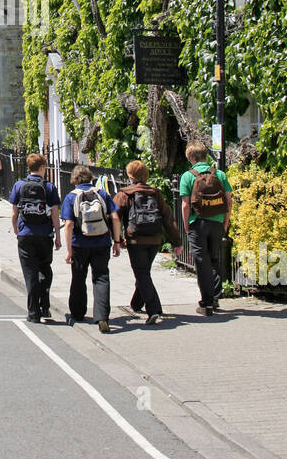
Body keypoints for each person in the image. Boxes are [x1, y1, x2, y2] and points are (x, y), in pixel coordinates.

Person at [115, 160, 181, 324]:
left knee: (142, 273)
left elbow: (112, 216)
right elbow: (168, 218)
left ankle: (154, 309)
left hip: (135, 240)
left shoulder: (125, 194)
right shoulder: (155, 193)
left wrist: (116, 239)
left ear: (130, 176)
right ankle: (136, 303)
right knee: (144, 272)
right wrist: (176, 242)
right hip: (155, 239)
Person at [61, 165, 121, 332]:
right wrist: (116, 241)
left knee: (79, 277)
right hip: (102, 242)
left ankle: (78, 313)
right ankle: (102, 316)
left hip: (80, 243)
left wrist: (69, 250)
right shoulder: (102, 193)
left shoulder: (71, 197)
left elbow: (69, 225)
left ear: (74, 179)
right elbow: (115, 218)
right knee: (101, 277)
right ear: (90, 177)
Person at [179, 141, 233, 315]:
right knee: (215, 259)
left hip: (198, 223)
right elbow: (228, 200)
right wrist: (225, 222)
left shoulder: (188, 176)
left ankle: (207, 303)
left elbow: (186, 204)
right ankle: (215, 296)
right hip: (217, 221)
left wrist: (186, 224)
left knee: (202, 262)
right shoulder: (219, 174)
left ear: (191, 157)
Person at [9, 152, 61, 322]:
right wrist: (58, 235)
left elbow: (14, 213)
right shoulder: (49, 187)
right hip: (45, 234)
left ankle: (33, 313)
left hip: (25, 234)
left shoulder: (18, 185)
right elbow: (54, 213)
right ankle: (45, 306)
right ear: (42, 168)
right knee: (45, 269)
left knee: (30, 273)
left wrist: (16, 229)